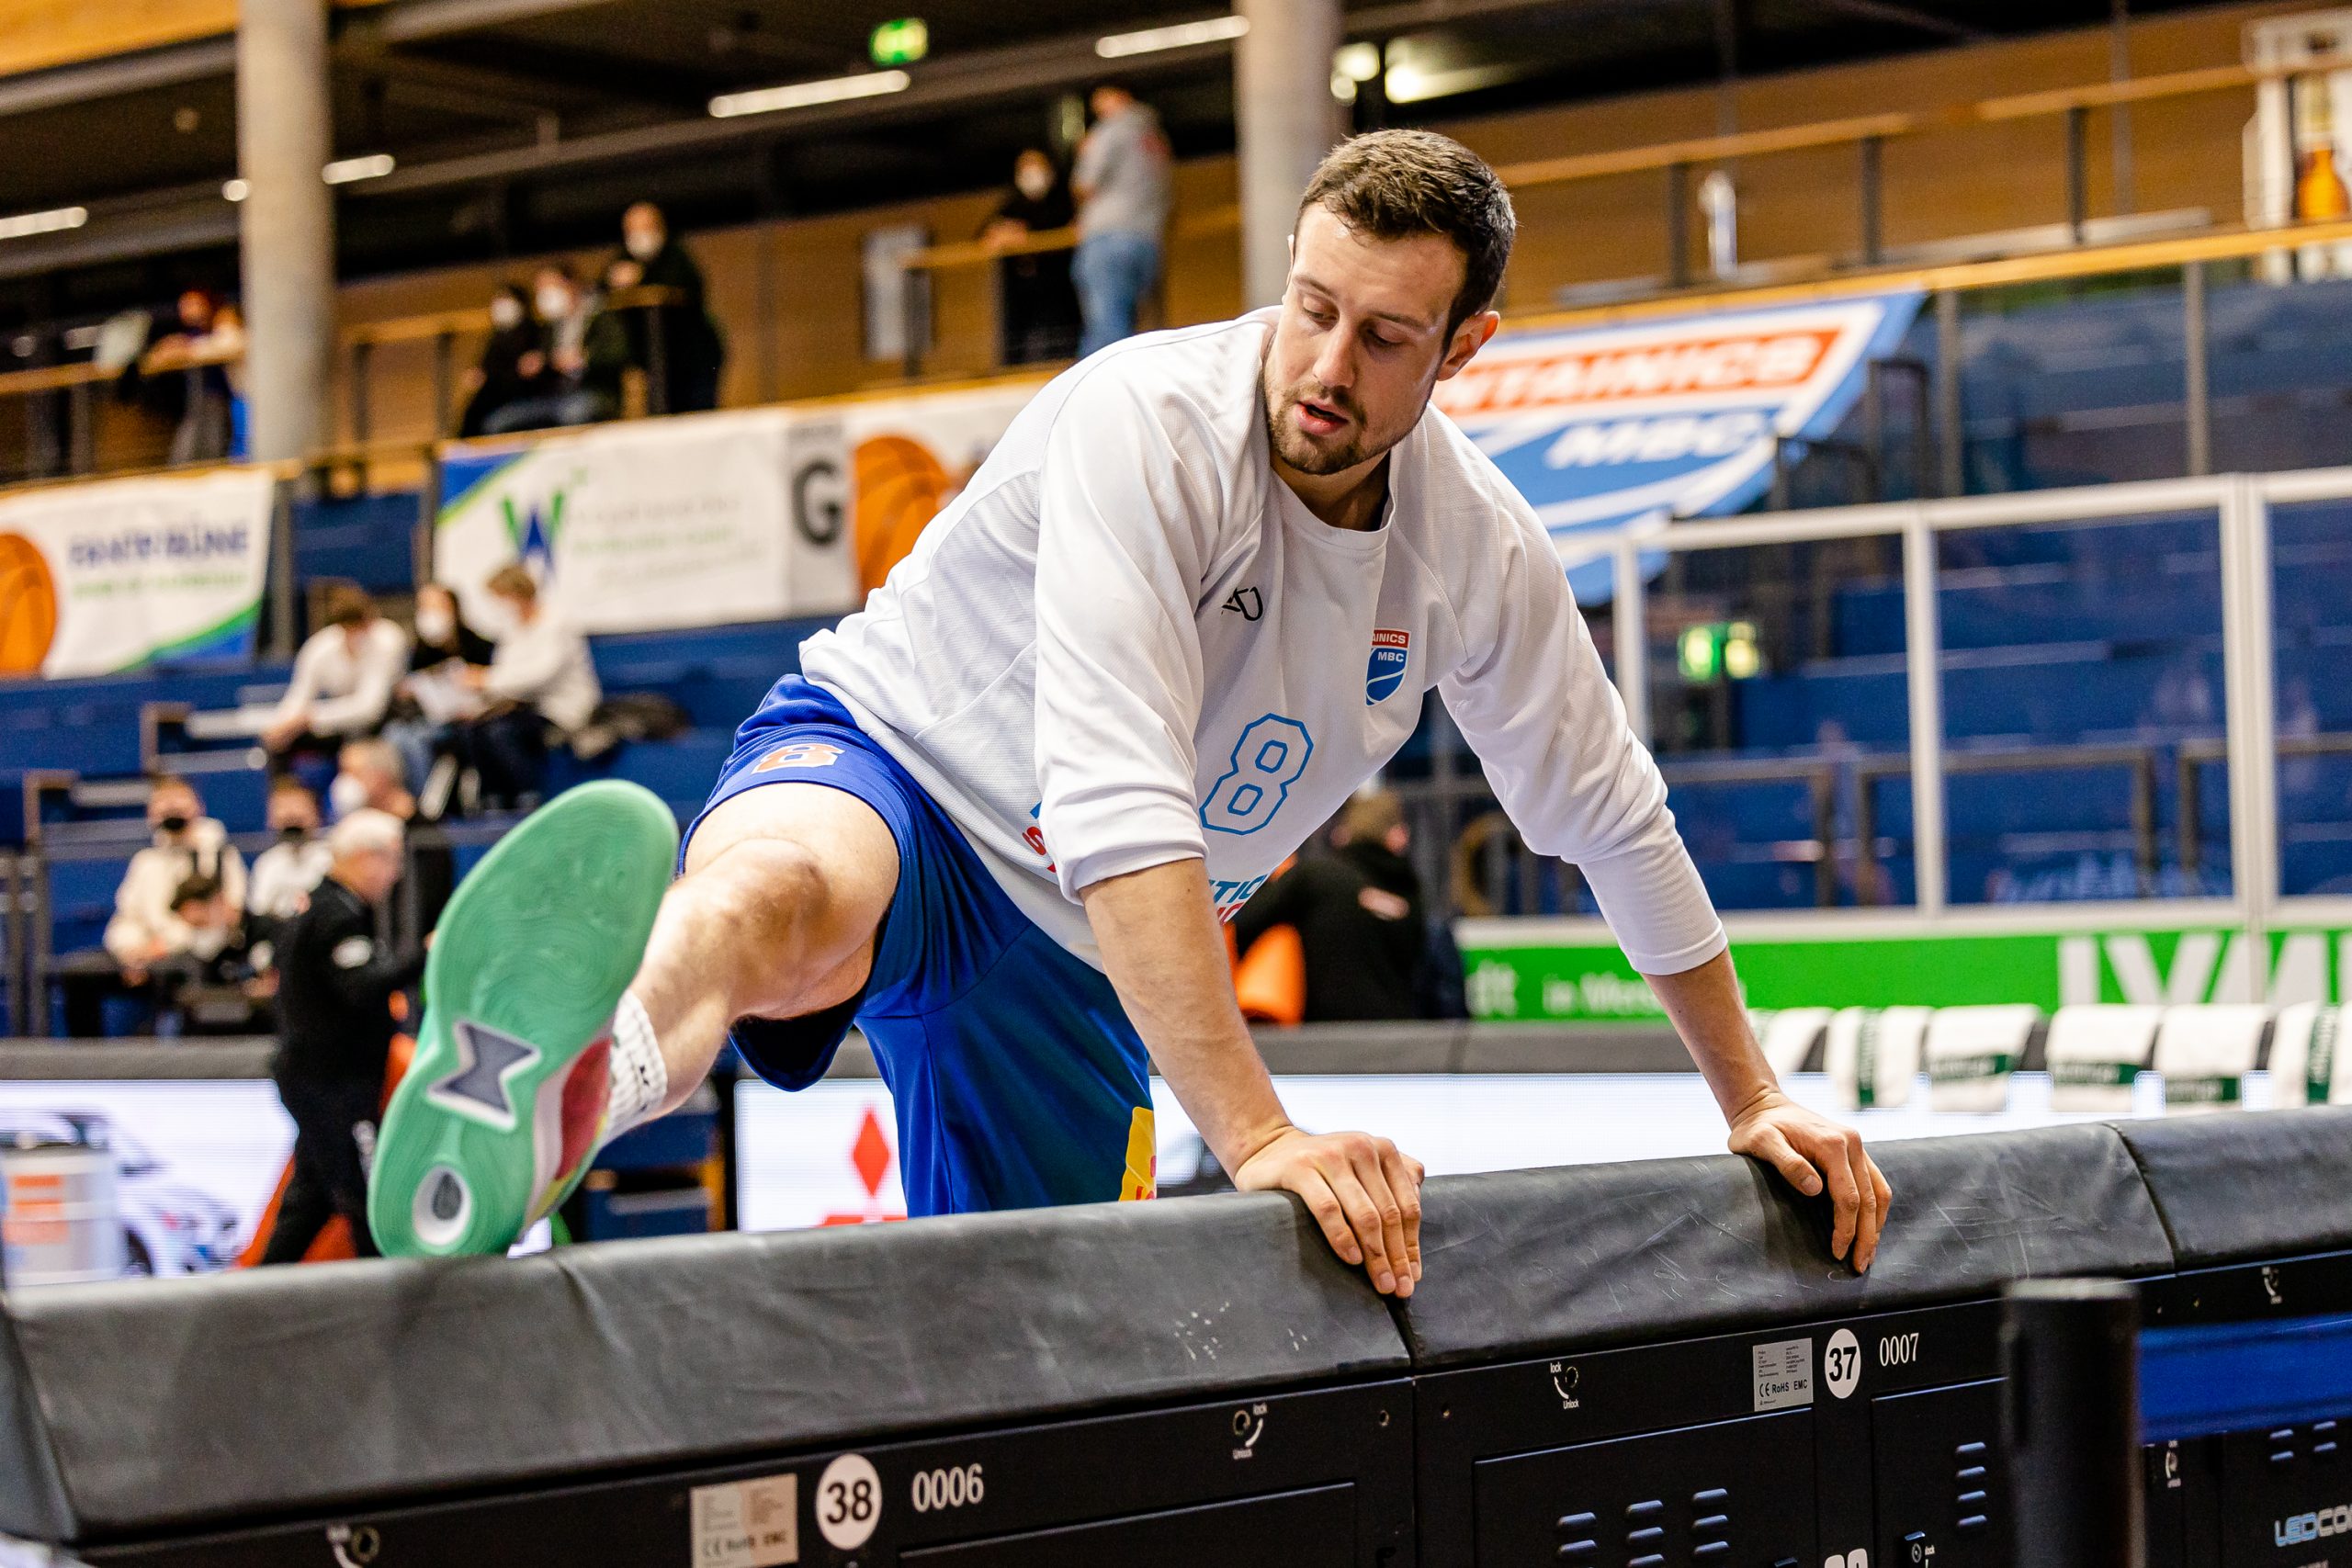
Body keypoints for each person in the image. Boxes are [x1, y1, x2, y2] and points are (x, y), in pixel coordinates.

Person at [367, 130, 1893, 1293]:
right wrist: (1260, 1135)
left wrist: (1752, 1097)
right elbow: (1117, 806)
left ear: (1465, 347)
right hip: (902, 762)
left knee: (1054, 1341)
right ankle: (560, 1091)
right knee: (782, 901)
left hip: (1077, 960)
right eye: (1312, 307)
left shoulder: (1478, 550)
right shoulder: (1148, 423)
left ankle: (569, 1098)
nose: (1326, 366)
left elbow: (1615, 823)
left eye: (1384, 337)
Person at [260, 810, 421, 1264]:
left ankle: (257, 1290)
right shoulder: (336, 914)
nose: (396, 875)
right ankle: (391, 1292)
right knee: (364, 1195)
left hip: (321, 1077)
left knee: (311, 1198)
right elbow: (360, 986)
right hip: (331, 1083)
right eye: (392, 861)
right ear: (364, 857)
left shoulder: (321, 906)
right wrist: (424, 957)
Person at [1233, 790, 1452, 1022]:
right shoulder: (1410, 894)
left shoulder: (1316, 877)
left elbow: (1241, 923)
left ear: (1342, 834)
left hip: (1325, 1035)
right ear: (1397, 836)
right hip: (1398, 1034)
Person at [454, 565, 600, 810]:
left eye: (501, 597)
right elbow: (506, 673)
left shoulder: (558, 623)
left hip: (559, 710)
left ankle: (528, 796)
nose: (498, 605)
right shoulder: (512, 629)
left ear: (517, 593)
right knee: (473, 730)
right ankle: (494, 798)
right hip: (520, 708)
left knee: (500, 732)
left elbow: (541, 674)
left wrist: (486, 679)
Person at [102, 776, 248, 987]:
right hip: (144, 950)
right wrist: (131, 952)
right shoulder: (145, 861)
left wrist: (163, 946)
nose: (171, 807)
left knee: (171, 970)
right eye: (163, 801)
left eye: (179, 799)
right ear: (150, 813)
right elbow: (127, 917)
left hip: (199, 953)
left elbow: (228, 917)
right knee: (80, 971)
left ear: (198, 807)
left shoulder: (220, 856)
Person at [1070, 83, 1171, 357]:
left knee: (1106, 334)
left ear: (1122, 96)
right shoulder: (1156, 138)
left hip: (1109, 240)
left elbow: (1085, 183)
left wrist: (1084, 154)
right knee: (1130, 328)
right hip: (1148, 240)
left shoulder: (1111, 130)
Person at [261, 586, 411, 768]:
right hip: (338, 724)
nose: (359, 634)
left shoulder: (388, 641)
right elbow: (298, 696)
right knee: (280, 743)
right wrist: (281, 726)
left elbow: (370, 708)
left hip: (384, 720)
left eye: (364, 626)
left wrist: (311, 718)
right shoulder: (319, 649)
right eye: (351, 629)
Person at [604, 201, 726, 414]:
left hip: (693, 355)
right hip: (655, 361)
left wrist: (641, 276)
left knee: (697, 413)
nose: (639, 235)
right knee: (661, 413)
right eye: (632, 230)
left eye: (645, 227)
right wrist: (613, 281)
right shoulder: (623, 258)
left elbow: (688, 290)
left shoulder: (676, 255)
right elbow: (601, 290)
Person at [481, 265, 630, 434]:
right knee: (499, 422)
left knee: (574, 414)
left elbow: (619, 354)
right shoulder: (551, 325)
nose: (545, 294)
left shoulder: (602, 314)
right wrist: (540, 362)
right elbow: (547, 361)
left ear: (571, 284)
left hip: (594, 391)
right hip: (555, 397)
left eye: (550, 286)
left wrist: (584, 359)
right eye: (540, 290)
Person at [384, 582, 494, 794]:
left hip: (470, 721)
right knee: (395, 734)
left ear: (453, 609)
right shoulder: (420, 651)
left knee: (418, 740)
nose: (430, 614)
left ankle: (427, 801)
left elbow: (492, 687)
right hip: (430, 718)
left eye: (436, 607)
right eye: (424, 607)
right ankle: (413, 798)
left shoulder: (478, 645)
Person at [984, 150, 1080, 366]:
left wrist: (1025, 236)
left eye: (1037, 166)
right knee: (1018, 348)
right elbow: (986, 235)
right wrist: (1002, 234)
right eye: (1025, 168)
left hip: (1060, 289)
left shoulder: (1063, 201)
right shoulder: (1012, 205)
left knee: (1062, 346)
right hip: (1021, 293)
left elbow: (1070, 228)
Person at [245, 777, 333, 964]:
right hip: (278, 946)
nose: (290, 814)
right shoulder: (267, 863)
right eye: (282, 808)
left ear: (316, 812)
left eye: (298, 806)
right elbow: (258, 916)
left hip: (321, 944)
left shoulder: (332, 859)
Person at [458, 285, 537, 438]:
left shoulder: (531, 332)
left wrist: (491, 376)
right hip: (495, 398)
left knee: (493, 423)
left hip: (518, 397)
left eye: (507, 299)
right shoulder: (496, 336)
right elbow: (485, 366)